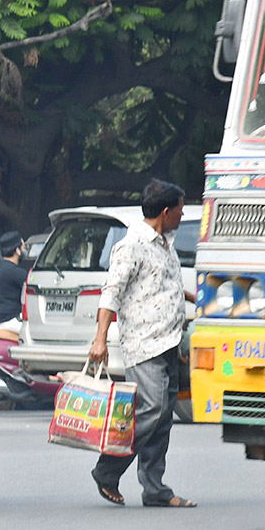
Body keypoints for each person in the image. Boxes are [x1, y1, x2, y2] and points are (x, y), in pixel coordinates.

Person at [88, 181, 196, 508]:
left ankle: (155, 489)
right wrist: (100, 340)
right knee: (152, 410)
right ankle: (107, 469)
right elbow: (112, 293)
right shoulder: (131, 245)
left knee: (163, 419)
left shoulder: (165, 244)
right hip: (144, 343)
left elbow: (163, 286)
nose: (181, 214)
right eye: (179, 209)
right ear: (166, 212)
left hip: (170, 341)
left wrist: (195, 298)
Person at [0, 231, 28, 336]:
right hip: (10, 322)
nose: (25, 250)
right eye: (23, 246)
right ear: (17, 251)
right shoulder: (15, 272)